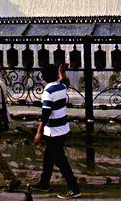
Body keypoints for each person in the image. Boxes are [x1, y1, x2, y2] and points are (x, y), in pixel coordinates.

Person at [28, 63, 82, 199]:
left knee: (60, 161)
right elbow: (64, 81)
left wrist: (38, 133)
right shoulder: (61, 87)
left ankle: (75, 189)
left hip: (54, 131)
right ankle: (44, 183)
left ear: (43, 77)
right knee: (48, 158)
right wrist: (61, 72)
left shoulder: (47, 92)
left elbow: (45, 115)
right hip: (63, 128)